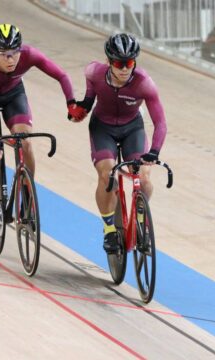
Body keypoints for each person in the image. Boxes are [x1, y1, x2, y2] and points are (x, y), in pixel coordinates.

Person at [0, 24, 85, 216]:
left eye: (14, 53)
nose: (11, 59)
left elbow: (61, 75)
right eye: (4, 54)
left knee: (25, 143)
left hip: (13, 94)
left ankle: (26, 191)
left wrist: (71, 102)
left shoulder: (29, 54)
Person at [70, 34, 167, 254]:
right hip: (103, 128)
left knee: (143, 177)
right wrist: (82, 108)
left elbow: (160, 122)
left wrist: (154, 152)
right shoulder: (94, 72)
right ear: (108, 61)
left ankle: (140, 220)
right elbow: (89, 96)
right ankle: (108, 229)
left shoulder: (145, 84)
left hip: (132, 128)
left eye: (129, 63)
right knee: (107, 176)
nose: (124, 69)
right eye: (119, 63)